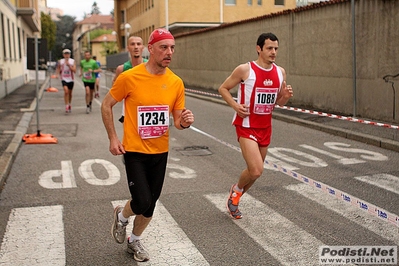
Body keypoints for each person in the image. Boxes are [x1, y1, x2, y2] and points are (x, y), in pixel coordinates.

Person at [101, 28, 194, 262]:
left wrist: (184, 123)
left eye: (172, 48)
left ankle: (134, 240)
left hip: (160, 152)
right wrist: (113, 137)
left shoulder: (175, 82)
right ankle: (121, 217)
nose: (169, 52)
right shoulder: (130, 77)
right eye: (163, 47)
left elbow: (177, 121)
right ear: (149, 49)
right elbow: (106, 104)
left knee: (150, 205)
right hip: (134, 151)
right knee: (142, 200)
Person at [218, 32, 294, 219]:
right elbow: (223, 88)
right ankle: (235, 192)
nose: (273, 52)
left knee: (256, 174)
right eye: (269, 48)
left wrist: (285, 96)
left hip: (265, 127)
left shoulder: (280, 72)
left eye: (276, 48)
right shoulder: (245, 70)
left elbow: (279, 103)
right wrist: (235, 105)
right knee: (256, 169)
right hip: (246, 125)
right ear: (258, 48)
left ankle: (235, 198)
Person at [112, 36, 148, 123]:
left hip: (147, 112)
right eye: (132, 44)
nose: (136, 47)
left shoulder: (150, 66)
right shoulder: (122, 69)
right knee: (129, 136)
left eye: (138, 44)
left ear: (142, 48)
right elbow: (114, 88)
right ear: (128, 48)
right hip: (129, 113)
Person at [56, 49, 76, 113]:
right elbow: (58, 68)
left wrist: (69, 65)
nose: (66, 55)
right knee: (66, 91)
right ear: (63, 55)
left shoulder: (72, 61)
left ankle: (69, 104)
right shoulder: (61, 61)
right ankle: (66, 105)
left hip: (71, 79)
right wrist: (57, 74)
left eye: (68, 54)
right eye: (65, 54)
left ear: (69, 55)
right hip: (64, 78)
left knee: (70, 93)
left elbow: (74, 70)